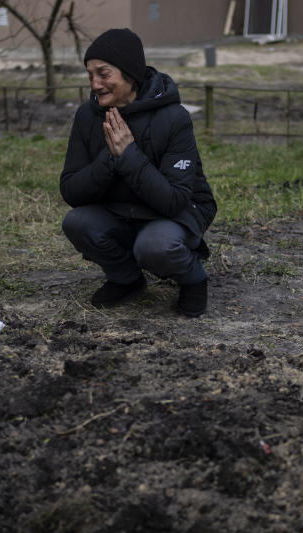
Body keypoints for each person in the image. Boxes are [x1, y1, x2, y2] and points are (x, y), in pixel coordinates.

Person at [60, 28, 217, 317]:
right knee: (78, 222)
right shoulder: (87, 116)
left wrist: (129, 155)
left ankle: (194, 278)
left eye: (103, 74)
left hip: (175, 213)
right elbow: (71, 189)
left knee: (155, 245)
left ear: (130, 74)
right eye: (90, 74)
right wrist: (111, 158)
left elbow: (174, 201)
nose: (95, 84)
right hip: (121, 209)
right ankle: (126, 278)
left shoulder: (174, 118)